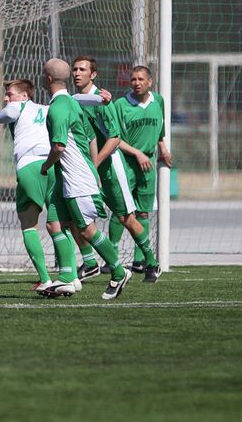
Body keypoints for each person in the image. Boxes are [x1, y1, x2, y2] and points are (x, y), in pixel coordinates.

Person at [0, 79, 104, 293]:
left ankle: (45, 279)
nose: (6, 98)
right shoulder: (50, 108)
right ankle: (71, 277)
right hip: (53, 167)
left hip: (31, 167)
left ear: (25, 96)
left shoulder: (19, 107)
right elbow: (75, 99)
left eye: (10, 94)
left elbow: (10, 112)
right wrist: (100, 98)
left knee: (28, 225)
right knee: (59, 224)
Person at [39, 59, 132, 300]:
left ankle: (119, 272)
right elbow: (89, 135)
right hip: (68, 177)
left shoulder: (60, 107)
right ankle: (69, 278)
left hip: (77, 179)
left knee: (87, 230)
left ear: (48, 79)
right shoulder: (70, 102)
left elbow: (58, 146)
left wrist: (46, 166)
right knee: (54, 223)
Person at [70, 56, 162, 283]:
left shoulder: (102, 101)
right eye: (74, 69)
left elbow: (114, 138)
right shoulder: (73, 100)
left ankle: (151, 262)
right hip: (86, 169)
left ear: (93, 75)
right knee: (73, 218)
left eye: (83, 69)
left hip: (110, 167)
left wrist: (95, 164)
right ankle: (90, 262)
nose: (77, 73)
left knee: (126, 218)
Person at [114, 66, 172, 280]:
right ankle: (112, 257)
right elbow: (116, 139)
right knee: (121, 211)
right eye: (133, 79)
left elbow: (160, 129)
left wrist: (163, 148)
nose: (136, 82)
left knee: (144, 213)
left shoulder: (158, 101)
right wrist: (138, 153)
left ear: (150, 81)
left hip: (148, 163)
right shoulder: (121, 105)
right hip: (127, 161)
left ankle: (140, 261)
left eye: (140, 79)